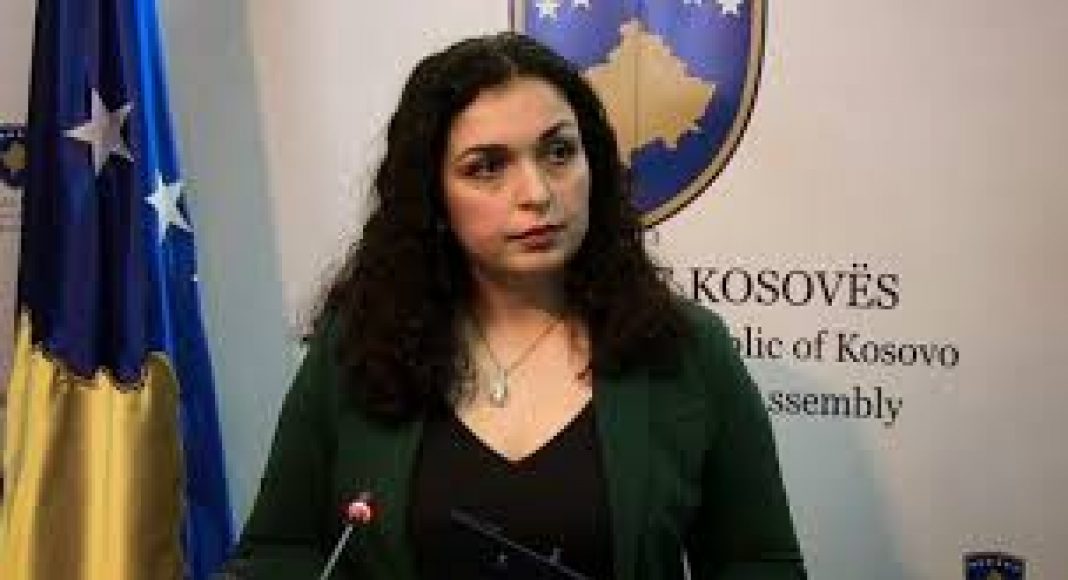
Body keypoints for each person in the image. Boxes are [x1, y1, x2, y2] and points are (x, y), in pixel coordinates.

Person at [222, 33, 806, 579]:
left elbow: (759, 564)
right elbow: (279, 553)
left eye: (558, 152)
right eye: (487, 167)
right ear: (433, 195)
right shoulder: (358, 343)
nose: (537, 193)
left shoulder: (686, 348)